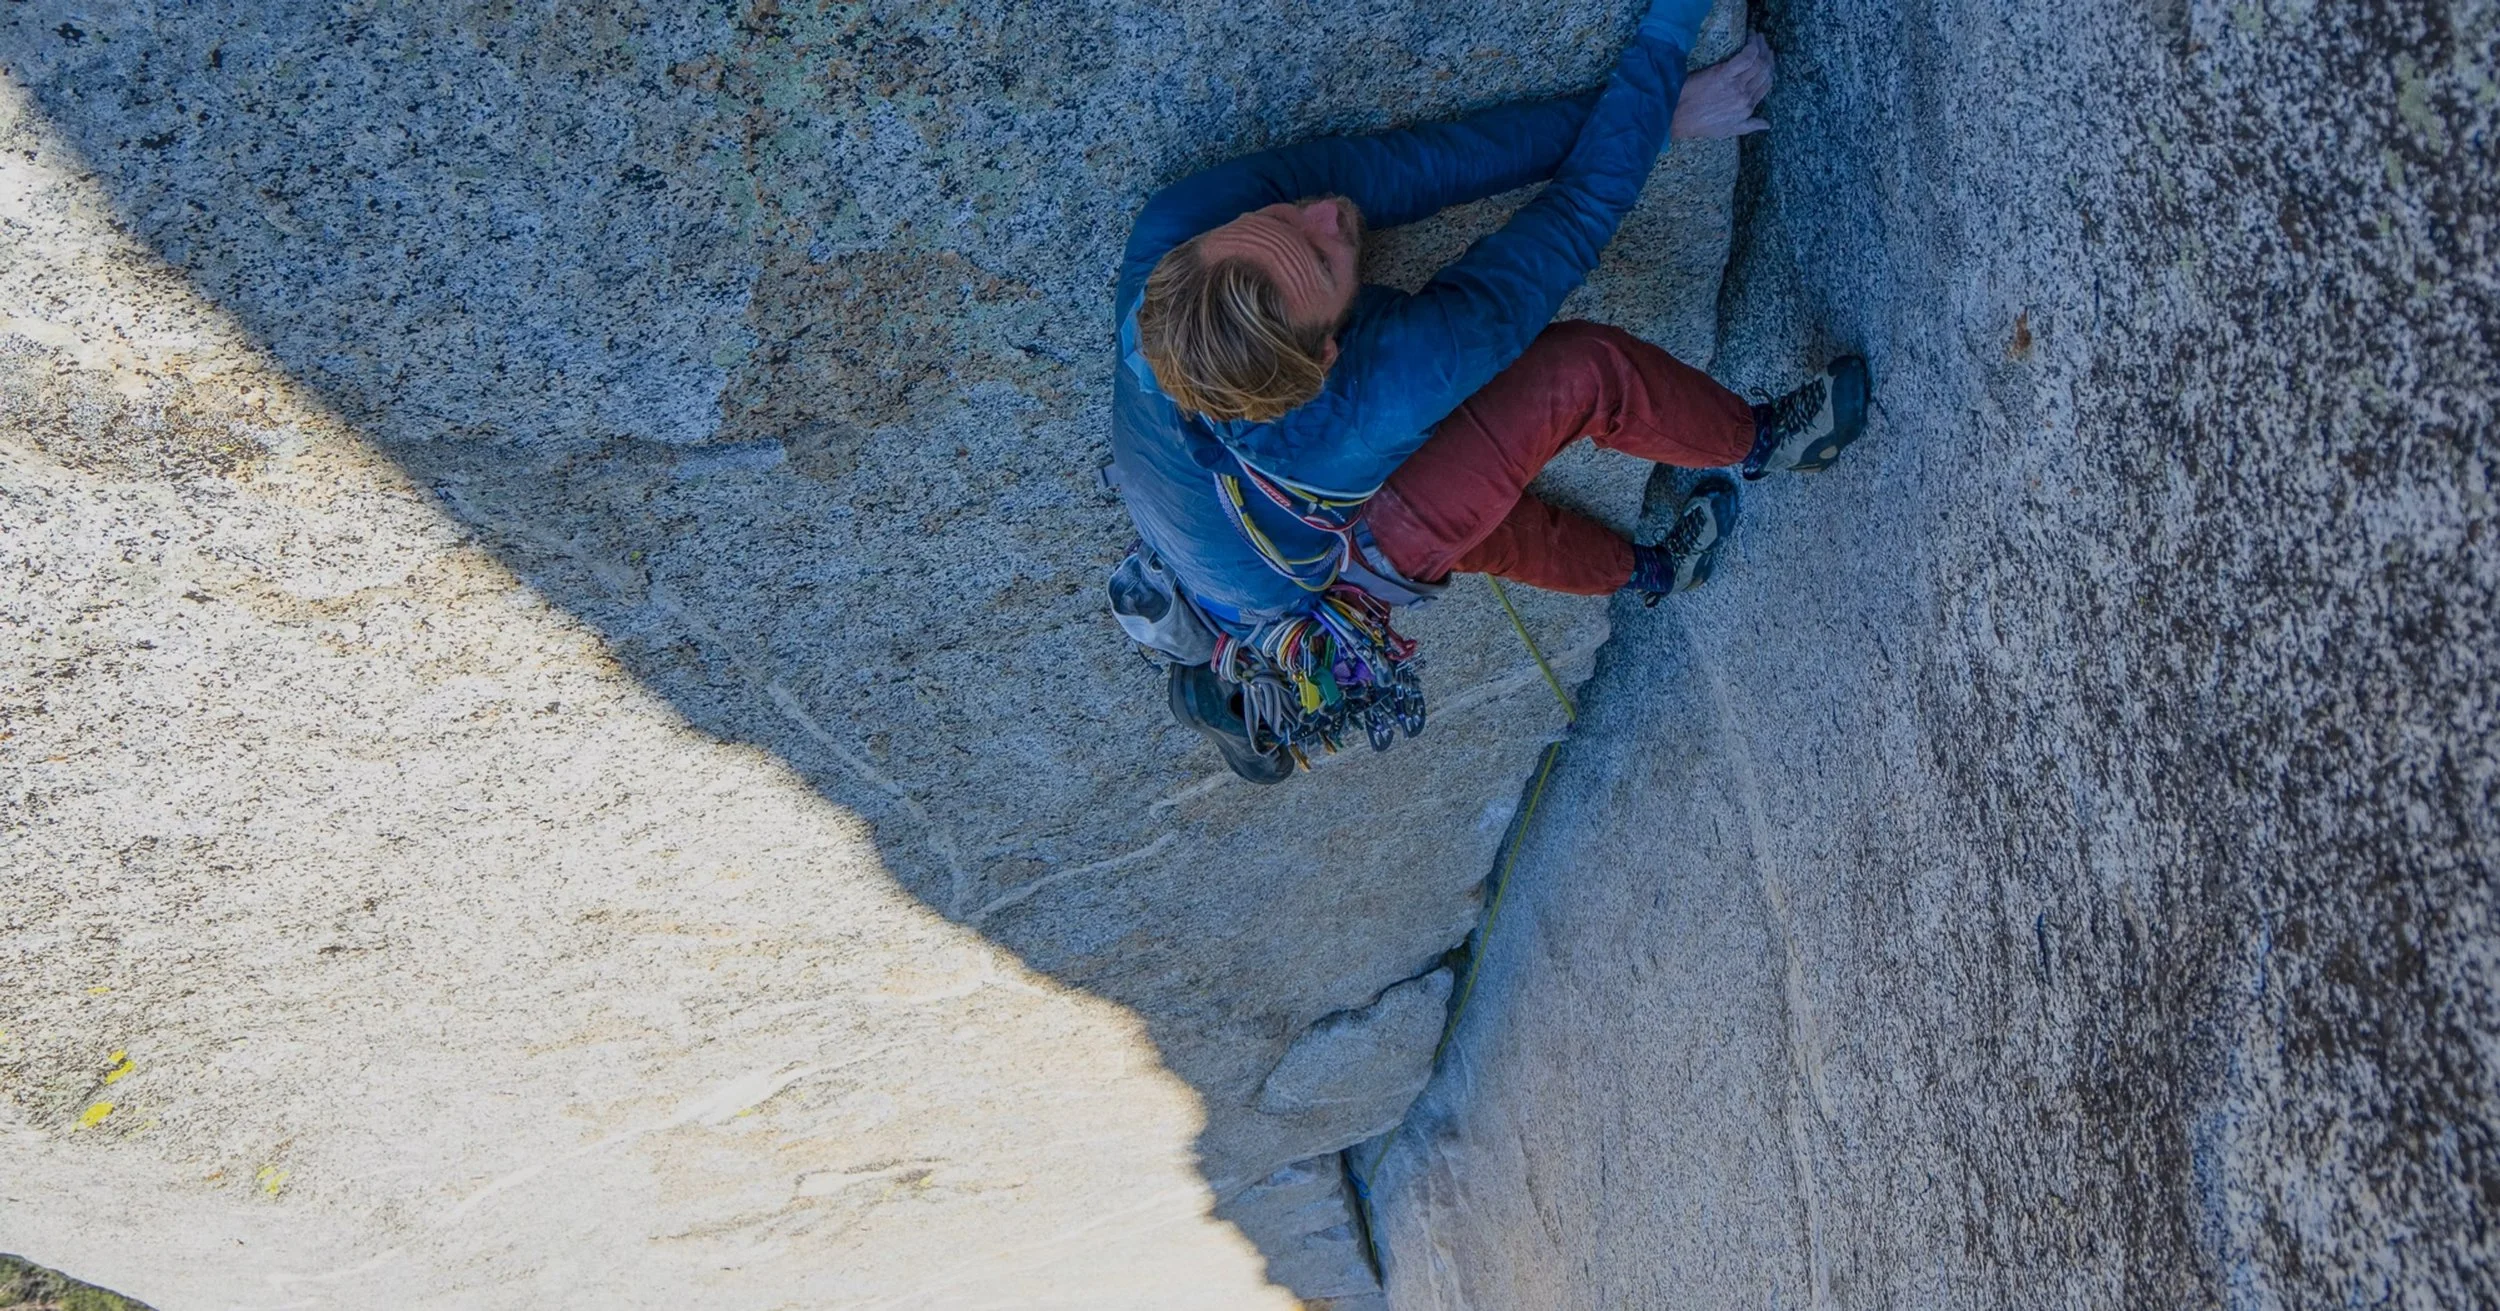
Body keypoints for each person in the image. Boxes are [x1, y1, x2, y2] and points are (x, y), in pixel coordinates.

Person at [1108, 2, 1868, 782]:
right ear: (1330, 353)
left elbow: (1429, 163)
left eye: (1282, 215)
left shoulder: (1178, 232)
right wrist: (1667, 36)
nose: (1326, 213)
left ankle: (1658, 570)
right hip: (1311, 569)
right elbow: (1577, 215)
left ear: (1198, 251)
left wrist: (1660, 110)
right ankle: (1762, 449)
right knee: (1576, 380)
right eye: (1328, 259)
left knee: (1481, 525)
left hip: (1232, 542)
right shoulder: (1396, 377)